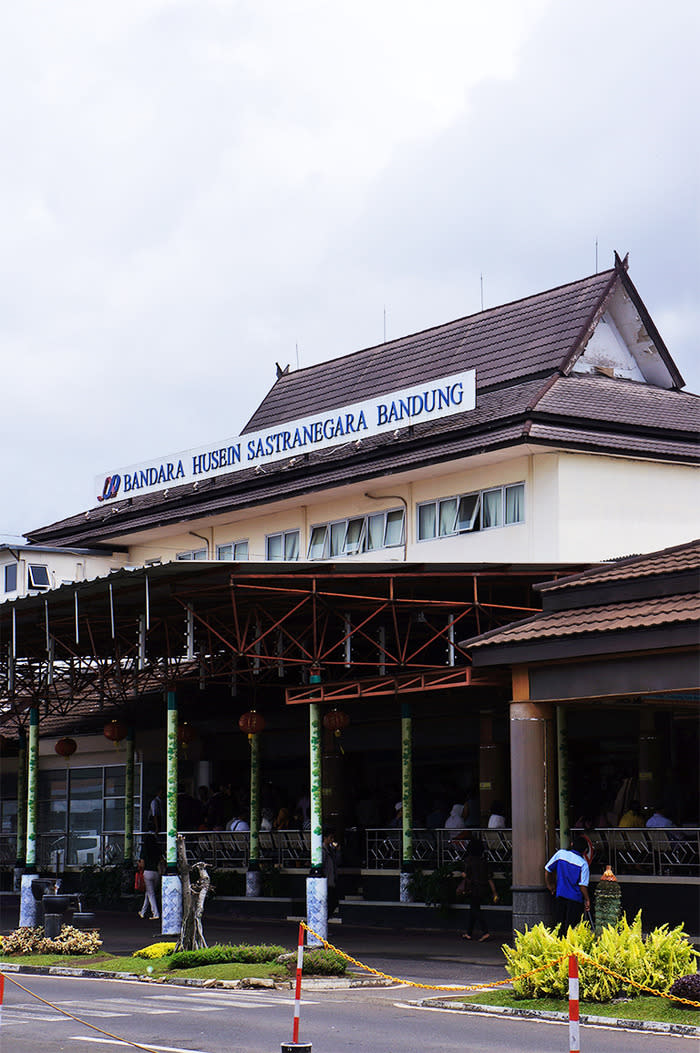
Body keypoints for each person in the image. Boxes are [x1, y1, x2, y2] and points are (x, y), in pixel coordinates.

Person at [544, 835, 591, 930]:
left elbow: (547, 869)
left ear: (572, 844)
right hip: (575, 900)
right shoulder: (583, 864)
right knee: (571, 928)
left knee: (559, 925)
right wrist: (587, 899)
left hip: (560, 895)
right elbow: (582, 886)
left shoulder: (561, 854)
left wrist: (550, 886)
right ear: (585, 851)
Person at [459, 837, 498, 942]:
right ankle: (469, 933)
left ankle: (485, 932)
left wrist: (463, 875)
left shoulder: (469, 861)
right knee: (474, 909)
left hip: (473, 888)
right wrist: (494, 893)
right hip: (484, 888)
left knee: (475, 909)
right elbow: (489, 878)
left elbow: (466, 875)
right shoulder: (484, 861)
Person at [138, 819, 162, 920]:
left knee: (150, 893)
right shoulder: (157, 848)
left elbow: (142, 864)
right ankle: (142, 911)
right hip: (156, 872)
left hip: (147, 872)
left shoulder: (144, 849)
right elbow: (162, 860)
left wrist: (139, 867)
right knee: (149, 892)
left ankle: (155, 913)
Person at [322, 829, 341, 915]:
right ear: (325, 838)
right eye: (330, 838)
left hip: (332, 880)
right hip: (326, 880)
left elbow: (337, 861)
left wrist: (337, 851)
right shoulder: (323, 851)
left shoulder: (331, 850)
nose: (332, 840)